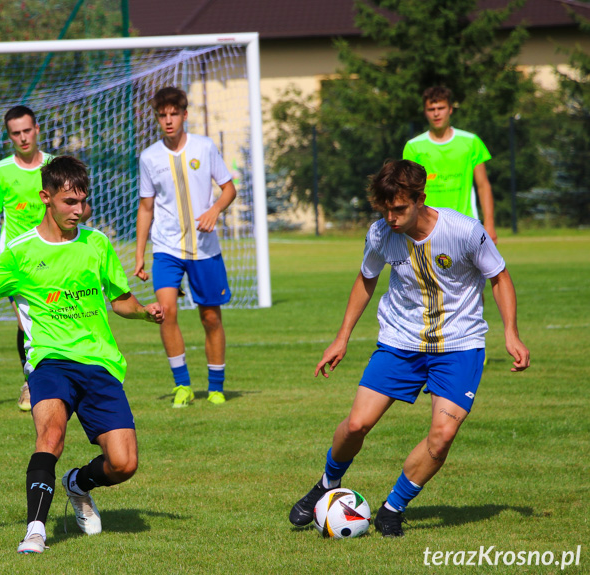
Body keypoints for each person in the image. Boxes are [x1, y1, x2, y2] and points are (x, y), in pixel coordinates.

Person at [0, 156, 164, 555]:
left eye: (83, 201)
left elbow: (121, 300)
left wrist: (146, 312)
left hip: (99, 362)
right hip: (49, 362)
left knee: (124, 463)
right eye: (69, 202)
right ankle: (35, 530)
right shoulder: (20, 252)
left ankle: (77, 484)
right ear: (46, 198)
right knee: (51, 435)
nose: (78, 210)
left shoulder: (96, 244)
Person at [288, 160, 529, 537]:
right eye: (385, 209)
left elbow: (498, 277)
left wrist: (511, 332)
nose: (391, 217)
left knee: (443, 435)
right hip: (400, 342)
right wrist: (342, 337)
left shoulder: (464, 231)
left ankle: (392, 508)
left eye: (399, 208)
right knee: (356, 425)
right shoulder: (381, 233)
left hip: (459, 346)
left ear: (420, 199)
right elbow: (366, 279)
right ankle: (326, 484)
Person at [134, 86, 237, 408]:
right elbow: (146, 208)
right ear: (156, 117)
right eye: (162, 115)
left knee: (210, 318)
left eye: (173, 114)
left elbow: (229, 189)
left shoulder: (205, 148)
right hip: (165, 248)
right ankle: (182, 386)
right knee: (165, 313)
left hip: (204, 249)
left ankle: (216, 387)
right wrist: (139, 254)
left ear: (184, 115)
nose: (168, 120)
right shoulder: (149, 157)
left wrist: (214, 210)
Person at [0, 106, 56, 412]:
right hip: (16, 259)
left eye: (27, 131)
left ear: (37, 129)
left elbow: (77, 204)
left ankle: (61, 378)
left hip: (54, 254)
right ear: (10, 136)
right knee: (25, 322)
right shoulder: (1, 171)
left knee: (53, 318)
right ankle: (32, 381)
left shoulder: (55, 166)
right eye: (16, 133)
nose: (22, 137)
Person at [403, 86, 497, 243]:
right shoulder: (414, 147)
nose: (436, 113)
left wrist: (489, 223)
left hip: (467, 224)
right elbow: (409, 190)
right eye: (431, 109)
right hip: (428, 226)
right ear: (425, 112)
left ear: (450, 109)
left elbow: (483, 186)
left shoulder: (471, 142)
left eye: (441, 108)